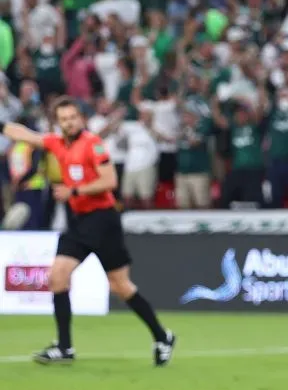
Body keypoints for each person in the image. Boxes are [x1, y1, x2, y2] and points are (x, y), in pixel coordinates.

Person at [1, 97, 176, 366]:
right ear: (58, 123)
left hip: (103, 220)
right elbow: (26, 135)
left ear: (81, 118)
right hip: (79, 221)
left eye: (73, 117)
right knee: (57, 277)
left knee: (120, 286)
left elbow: (110, 180)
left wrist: (73, 190)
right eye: (64, 119)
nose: (69, 122)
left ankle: (162, 335)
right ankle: (64, 347)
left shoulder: (92, 144)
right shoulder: (56, 143)